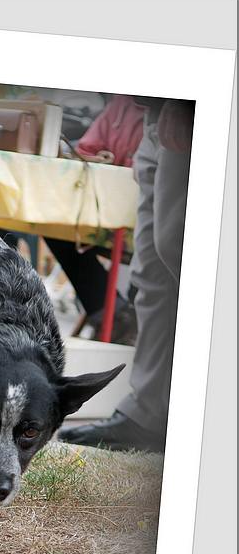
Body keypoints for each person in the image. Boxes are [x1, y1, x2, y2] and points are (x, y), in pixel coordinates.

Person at [58, 98, 194, 452]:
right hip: (156, 118)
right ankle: (145, 415)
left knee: (183, 254)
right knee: (151, 275)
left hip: (189, 111)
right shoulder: (116, 107)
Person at [45, 94, 147, 345]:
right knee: (56, 228)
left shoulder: (167, 112)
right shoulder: (121, 103)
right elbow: (86, 148)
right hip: (107, 215)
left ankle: (129, 319)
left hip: (141, 224)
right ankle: (110, 313)